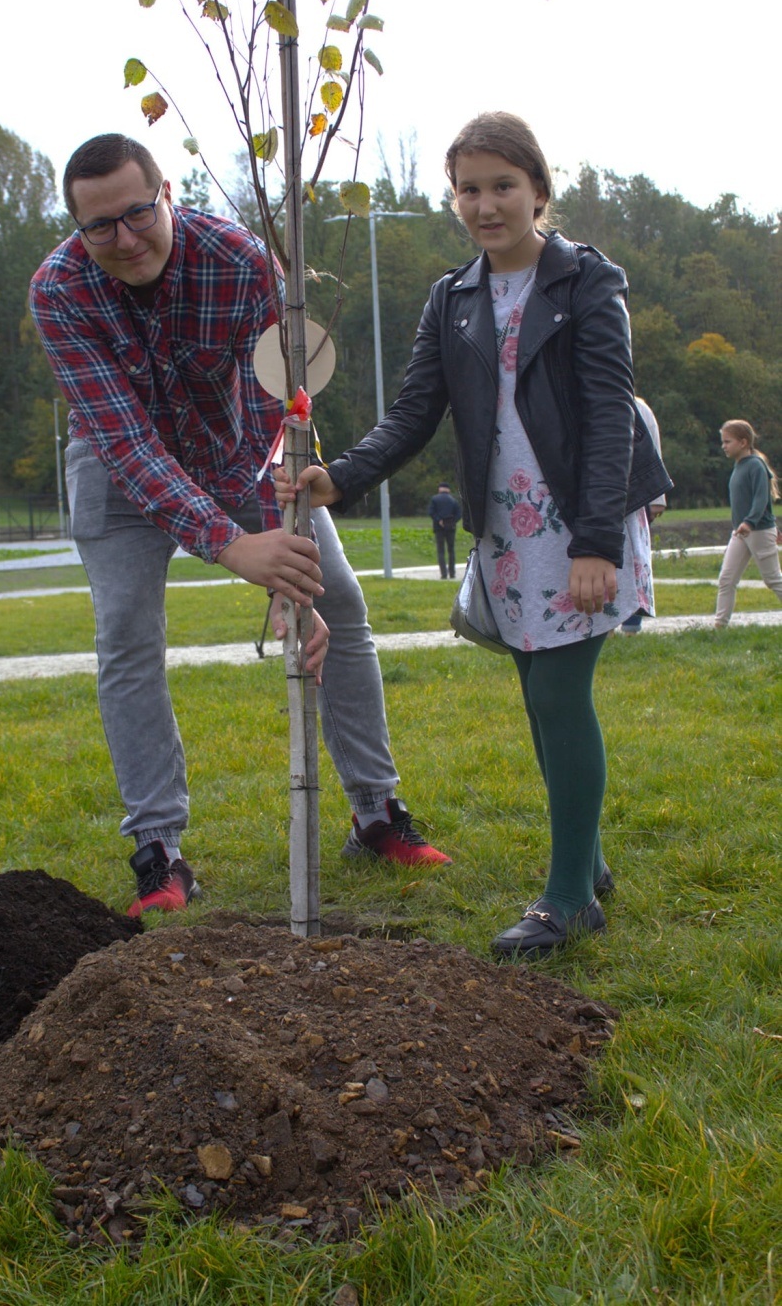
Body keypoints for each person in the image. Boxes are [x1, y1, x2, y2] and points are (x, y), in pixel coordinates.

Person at [277, 112, 671, 959]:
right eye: (469, 189)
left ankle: (570, 899)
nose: (486, 205)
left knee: (561, 697)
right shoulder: (452, 299)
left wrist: (597, 541)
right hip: (507, 527)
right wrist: (340, 476)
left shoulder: (588, 285)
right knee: (538, 693)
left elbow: (609, 419)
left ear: (539, 190)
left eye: (503, 186)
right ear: (452, 197)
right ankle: (589, 861)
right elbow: (416, 411)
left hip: (578, 522)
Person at [29, 134, 452, 918]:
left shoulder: (244, 262)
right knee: (126, 632)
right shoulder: (59, 291)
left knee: (342, 605)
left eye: (136, 214)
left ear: (168, 193)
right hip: (119, 472)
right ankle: (159, 851)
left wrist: (282, 562)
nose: (124, 241)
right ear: (75, 229)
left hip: (243, 453)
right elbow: (126, 442)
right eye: (99, 228)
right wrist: (233, 547)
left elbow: (274, 408)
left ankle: (376, 812)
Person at [714, 419, 782, 626]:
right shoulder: (740, 465)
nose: (724, 446)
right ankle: (719, 626)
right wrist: (742, 526)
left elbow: (761, 499)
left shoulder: (755, 465)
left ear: (743, 443)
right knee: (726, 579)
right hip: (741, 532)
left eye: (728, 441)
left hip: (758, 531)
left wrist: (750, 523)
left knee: (773, 579)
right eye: (723, 442)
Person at [620, 396, 668, 634]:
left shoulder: (639, 407)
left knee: (634, 560)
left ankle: (631, 623)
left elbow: (652, 452)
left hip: (635, 497)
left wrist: (657, 499)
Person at [428, 482, 462, 578]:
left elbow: (431, 512)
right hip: (451, 528)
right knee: (451, 550)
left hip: (439, 528)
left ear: (439, 489)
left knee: (441, 551)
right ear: (448, 490)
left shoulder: (434, 499)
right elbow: (459, 514)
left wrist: (439, 520)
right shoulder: (453, 500)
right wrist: (452, 521)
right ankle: (452, 573)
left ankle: (443, 574)